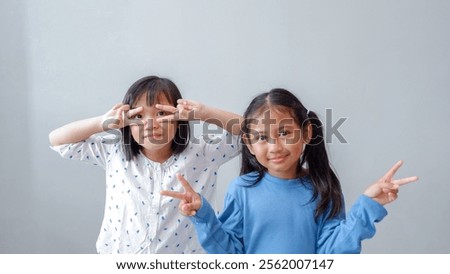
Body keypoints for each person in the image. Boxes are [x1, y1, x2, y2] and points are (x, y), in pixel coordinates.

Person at [161, 88, 418, 254]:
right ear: (249, 144)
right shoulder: (242, 190)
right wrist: (204, 215)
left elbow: (333, 253)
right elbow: (230, 255)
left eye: (284, 133)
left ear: (306, 133)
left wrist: (367, 205)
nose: (275, 146)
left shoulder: (322, 188)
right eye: (262, 138)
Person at [49, 75, 242, 254]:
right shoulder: (114, 152)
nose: (151, 124)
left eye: (161, 113)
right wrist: (103, 122)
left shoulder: (203, 152)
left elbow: (253, 132)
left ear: (179, 119)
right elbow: (57, 140)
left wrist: (204, 113)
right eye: (139, 117)